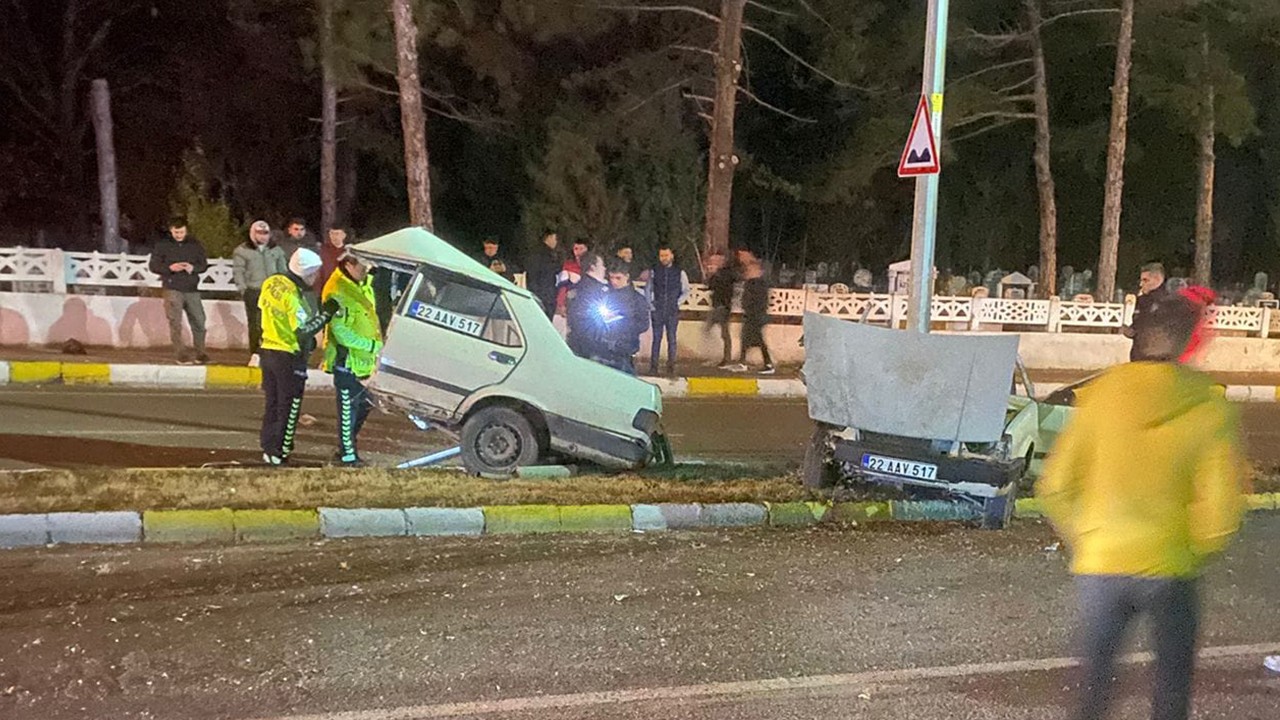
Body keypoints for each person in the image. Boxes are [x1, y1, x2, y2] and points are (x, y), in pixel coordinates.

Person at [1038, 290, 1246, 720]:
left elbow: (1055, 485)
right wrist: (1192, 548)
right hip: (1172, 567)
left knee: (1094, 688)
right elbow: (1221, 507)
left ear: (1138, 338)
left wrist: (1088, 537)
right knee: (1171, 689)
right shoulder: (1209, 404)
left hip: (1102, 562)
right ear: (1190, 341)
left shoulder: (1101, 394)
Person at [258, 249, 338, 466]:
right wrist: (326, 314)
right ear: (307, 273)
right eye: (314, 274)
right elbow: (303, 331)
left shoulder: (271, 283)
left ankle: (268, 446)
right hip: (288, 356)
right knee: (289, 405)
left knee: (272, 403)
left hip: (268, 350)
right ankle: (280, 452)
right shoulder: (292, 296)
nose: (315, 279)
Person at [322, 251, 383, 466]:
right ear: (348, 264)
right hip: (346, 360)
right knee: (348, 409)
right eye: (362, 267)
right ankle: (347, 457)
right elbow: (340, 332)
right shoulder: (336, 291)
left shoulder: (362, 283)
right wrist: (372, 346)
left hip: (364, 360)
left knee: (365, 404)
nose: (366, 271)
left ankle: (345, 449)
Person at [149, 217, 210, 365]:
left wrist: (192, 268)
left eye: (181, 232)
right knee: (175, 322)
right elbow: (154, 266)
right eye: (176, 232)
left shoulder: (194, 245)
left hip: (191, 288)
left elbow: (203, 265)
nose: (179, 235)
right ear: (171, 231)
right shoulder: (163, 245)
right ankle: (180, 354)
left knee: (199, 321)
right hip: (172, 287)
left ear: (186, 230)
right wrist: (170, 268)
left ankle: (200, 353)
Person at [232, 220, 288, 367]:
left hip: (273, 292)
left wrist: (283, 289)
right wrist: (243, 289)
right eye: (259, 233)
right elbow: (238, 271)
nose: (263, 236)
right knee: (255, 324)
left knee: (272, 323)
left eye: (265, 233)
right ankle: (255, 353)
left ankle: (271, 352)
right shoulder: (242, 250)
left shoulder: (276, 250)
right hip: (254, 290)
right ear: (252, 233)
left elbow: (282, 271)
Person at [643, 245, 690, 376]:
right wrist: (651, 305)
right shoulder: (655, 271)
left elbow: (686, 290)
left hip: (672, 310)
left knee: (672, 339)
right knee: (656, 339)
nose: (663, 258)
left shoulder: (680, 272)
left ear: (672, 256)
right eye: (661, 256)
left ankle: (671, 367)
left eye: (666, 255)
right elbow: (648, 289)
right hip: (657, 309)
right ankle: (653, 367)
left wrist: (677, 302)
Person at [598, 262, 650, 374]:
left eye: (618, 278)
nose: (614, 282)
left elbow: (644, 324)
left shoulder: (637, 299)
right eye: (612, 277)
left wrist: (622, 321)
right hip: (604, 347)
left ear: (627, 277)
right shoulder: (605, 295)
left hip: (625, 348)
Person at [731, 251, 774, 375]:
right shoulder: (752, 283)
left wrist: (752, 311)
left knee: (758, 340)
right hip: (751, 315)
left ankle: (768, 364)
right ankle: (743, 362)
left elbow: (759, 301)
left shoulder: (758, 284)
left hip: (755, 316)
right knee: (747, 339)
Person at [1122, 262, 1171, 361]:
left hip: (1157, 359)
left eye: (1145, 280)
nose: (1141, 284)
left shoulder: (1168, 302)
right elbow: (1139, 323)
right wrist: (1131, 331)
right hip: (1139, 356)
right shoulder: (1141, 300)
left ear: (1157, 279)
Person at [565, 252, 609, 359]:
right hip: (592, 341)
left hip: (577, 339)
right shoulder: (594, 289)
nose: (604, 268)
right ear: (592, 267)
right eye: (602, 265)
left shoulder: (579, 285)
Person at [703, 252, 736, 369]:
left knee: (724, 333)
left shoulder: (726, 273)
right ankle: (716, 356)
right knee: (708, 330)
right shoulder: (719, 274)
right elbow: (710, 286)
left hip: (723, 306)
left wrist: (714, 275)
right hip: (718, 306)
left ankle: (726, 359)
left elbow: (721, 286)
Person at [526, 230, 561, 318]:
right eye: (554, 238)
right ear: (548, 238)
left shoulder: (537, 253)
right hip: (545, 295)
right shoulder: (544, 255)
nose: (556, 242)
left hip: (541, 294)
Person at [556, 240, 590, 316]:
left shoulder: (592, 266)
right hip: (571, 302)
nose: (578, 252)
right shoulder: (568, 265)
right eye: (576, 249)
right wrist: (561, 304)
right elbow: (563, 286)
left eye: (581, 249)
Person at [317, 227, 349, 295]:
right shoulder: (323, 250)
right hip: (325, 289)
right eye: (331, 233)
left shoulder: (348, 252)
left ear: (344, 235)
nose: (334, 236)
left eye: (337, 233)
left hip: (343, 290)